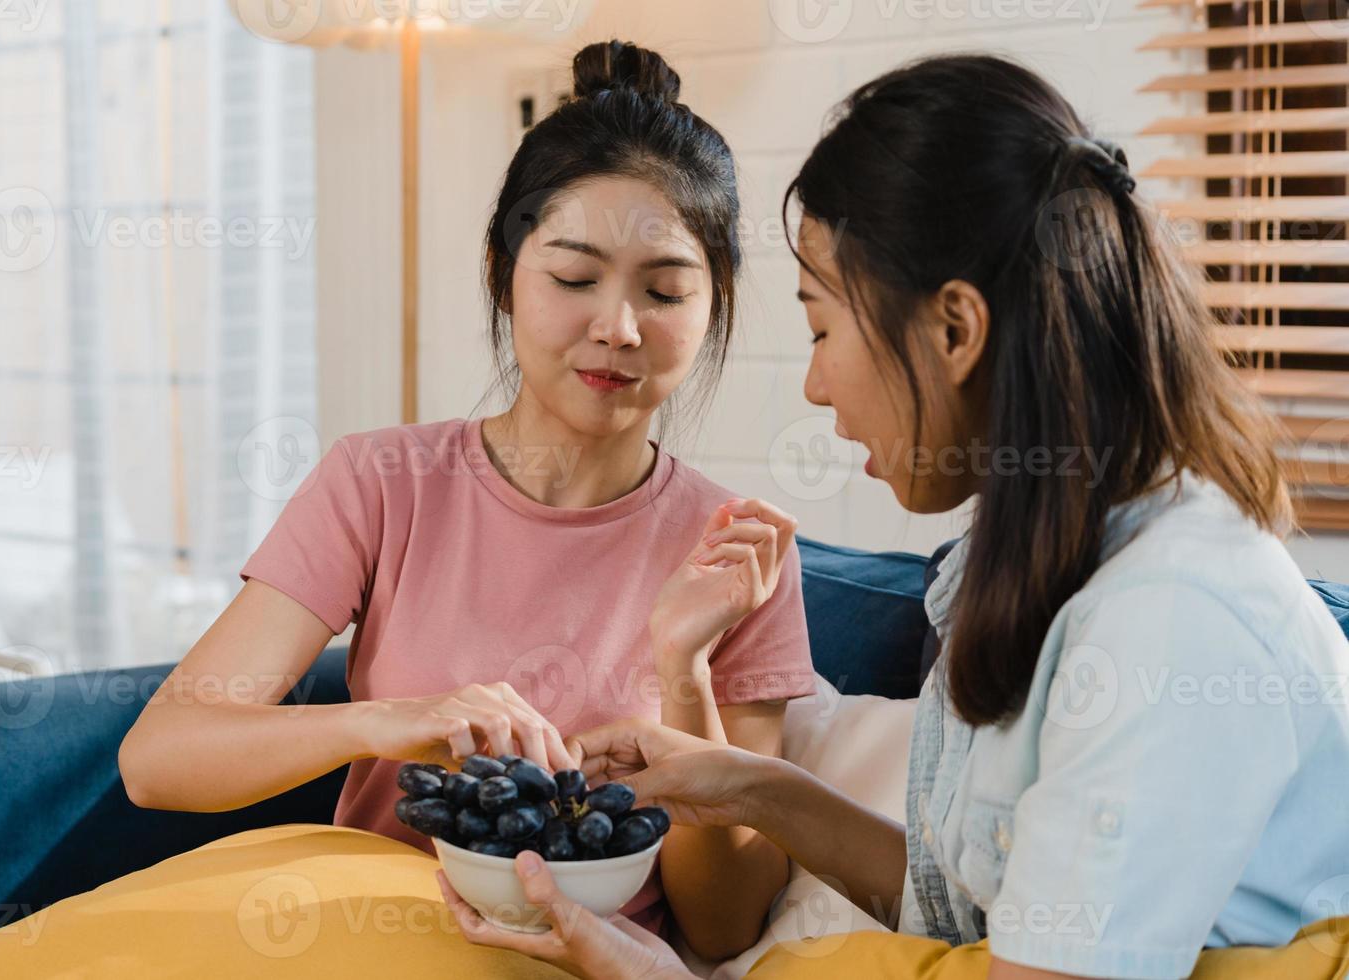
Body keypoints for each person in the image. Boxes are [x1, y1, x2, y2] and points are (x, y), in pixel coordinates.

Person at [438, 53, 1349, 980]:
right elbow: (968, 911)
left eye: (825, 327)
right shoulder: (1041, 566)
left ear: (955, 331)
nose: (814, 383)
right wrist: (750, 787)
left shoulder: (1168, 625)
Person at [118, 39, 817, 959]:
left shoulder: (737, 553)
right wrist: (387, 722)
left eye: (667, 291)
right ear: (503, 273)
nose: (617, 328)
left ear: (711, 304)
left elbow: (723, 926)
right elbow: (159, 758)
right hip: (370, 940)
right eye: (572, 278)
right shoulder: (380, 484)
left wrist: (685, 677)